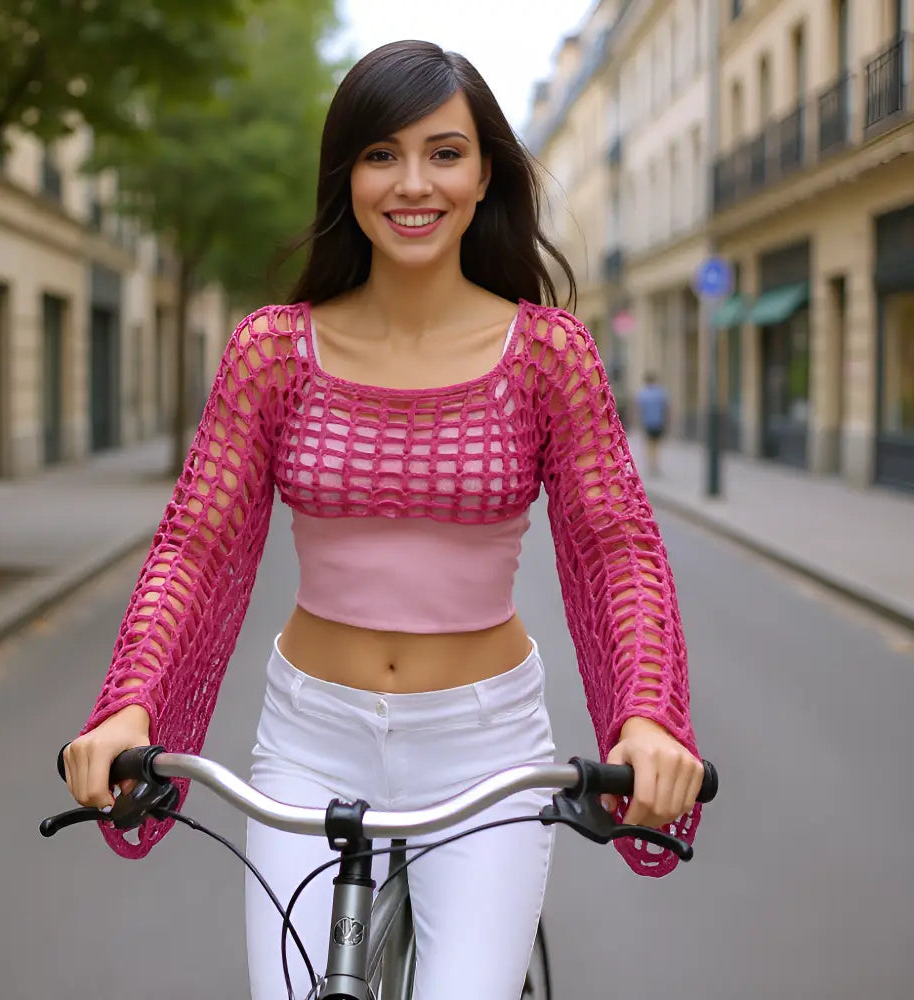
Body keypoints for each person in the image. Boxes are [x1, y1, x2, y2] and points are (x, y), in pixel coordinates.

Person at [62, 40, 706, 1000]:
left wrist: (646, 717)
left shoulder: (549, 357)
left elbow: (618, 550)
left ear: (486, 172)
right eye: (381, 154)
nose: (415, 183)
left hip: (487, 747)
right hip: (307, 740)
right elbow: (196, 543)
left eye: (445, 152)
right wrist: (131, 698)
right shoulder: (272, 351)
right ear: (347, 174)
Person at [635, 372, 670, 475]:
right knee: (656, 444)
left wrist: (637, 421)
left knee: (649, 443)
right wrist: (667, 421)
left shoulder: (642, 393)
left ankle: (651, 463)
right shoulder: (660, 392)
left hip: (647, 423)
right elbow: (666, 408)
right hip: (659, 422)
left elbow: (638, 409)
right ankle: (655, 463)